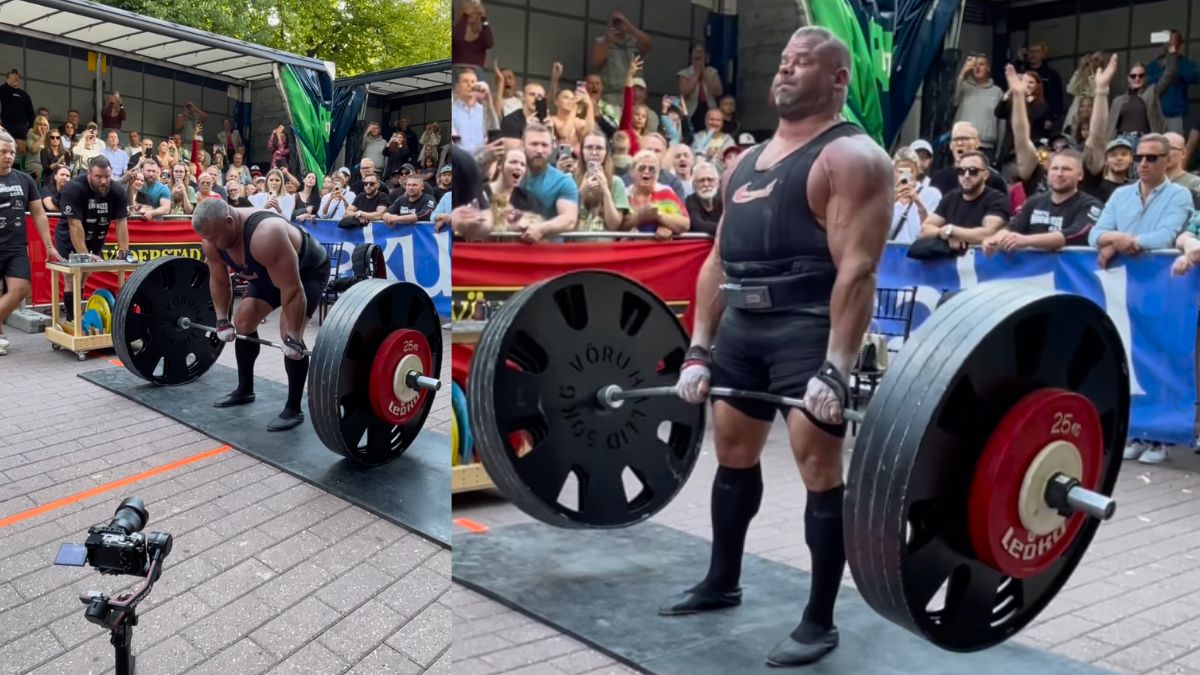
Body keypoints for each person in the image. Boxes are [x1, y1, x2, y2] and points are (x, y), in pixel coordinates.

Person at [663, 27, 893, 667]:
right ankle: (721, 580)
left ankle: (819, 621)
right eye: (783, 61)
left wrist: (835, 368)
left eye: (803, 63)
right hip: (742, 325)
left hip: (808, 327)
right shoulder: (743, 161)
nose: (785, 71)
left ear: (839, 78)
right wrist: (700, 348)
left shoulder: (852, 158)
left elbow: (858, 271)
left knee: (819, 469)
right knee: (733, 454)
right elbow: (715, 261)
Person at [191, 199, 330, 432]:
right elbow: (218, 280)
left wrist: (294, 338)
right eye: (207, 238)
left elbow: (292, 289)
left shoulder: (266, 234)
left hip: (305, 274)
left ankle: (293, 408)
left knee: (288, 335)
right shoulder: (212, 238)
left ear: (229, 221)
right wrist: (222, 320)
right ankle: (245, 390)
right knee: (243, 322)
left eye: (214, 237)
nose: (211, 243)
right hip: (267, 273)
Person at [0, 131, 57, 355]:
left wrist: (49, 246)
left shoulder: (23, 179)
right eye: (3, 152)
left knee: (20, 289)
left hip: (15, 247)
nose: (8, 156)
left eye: (11, 152)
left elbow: (39, 214)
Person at [982, 149, 1102, 254]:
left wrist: (1025, 241)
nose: (1059, 174)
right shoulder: (1034, 201)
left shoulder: (1091, 205)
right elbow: (1012, 227)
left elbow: (1077, 233)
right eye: (1055, 168)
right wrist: (996, 239)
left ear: (1080, 175)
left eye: (1066, 169)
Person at [55, 156, 130, 322]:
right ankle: (71, 319)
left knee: (84, 277)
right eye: (98, 177)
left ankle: (78, 316)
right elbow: (74, 225)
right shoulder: (73, 188)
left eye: (107, 177)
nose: (103, 181)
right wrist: (85, 256)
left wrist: (124, 252)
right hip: (69, 235)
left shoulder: (117, 191)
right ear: (89, 173)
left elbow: (121, 223)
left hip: (96, 234)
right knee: (72, 276)